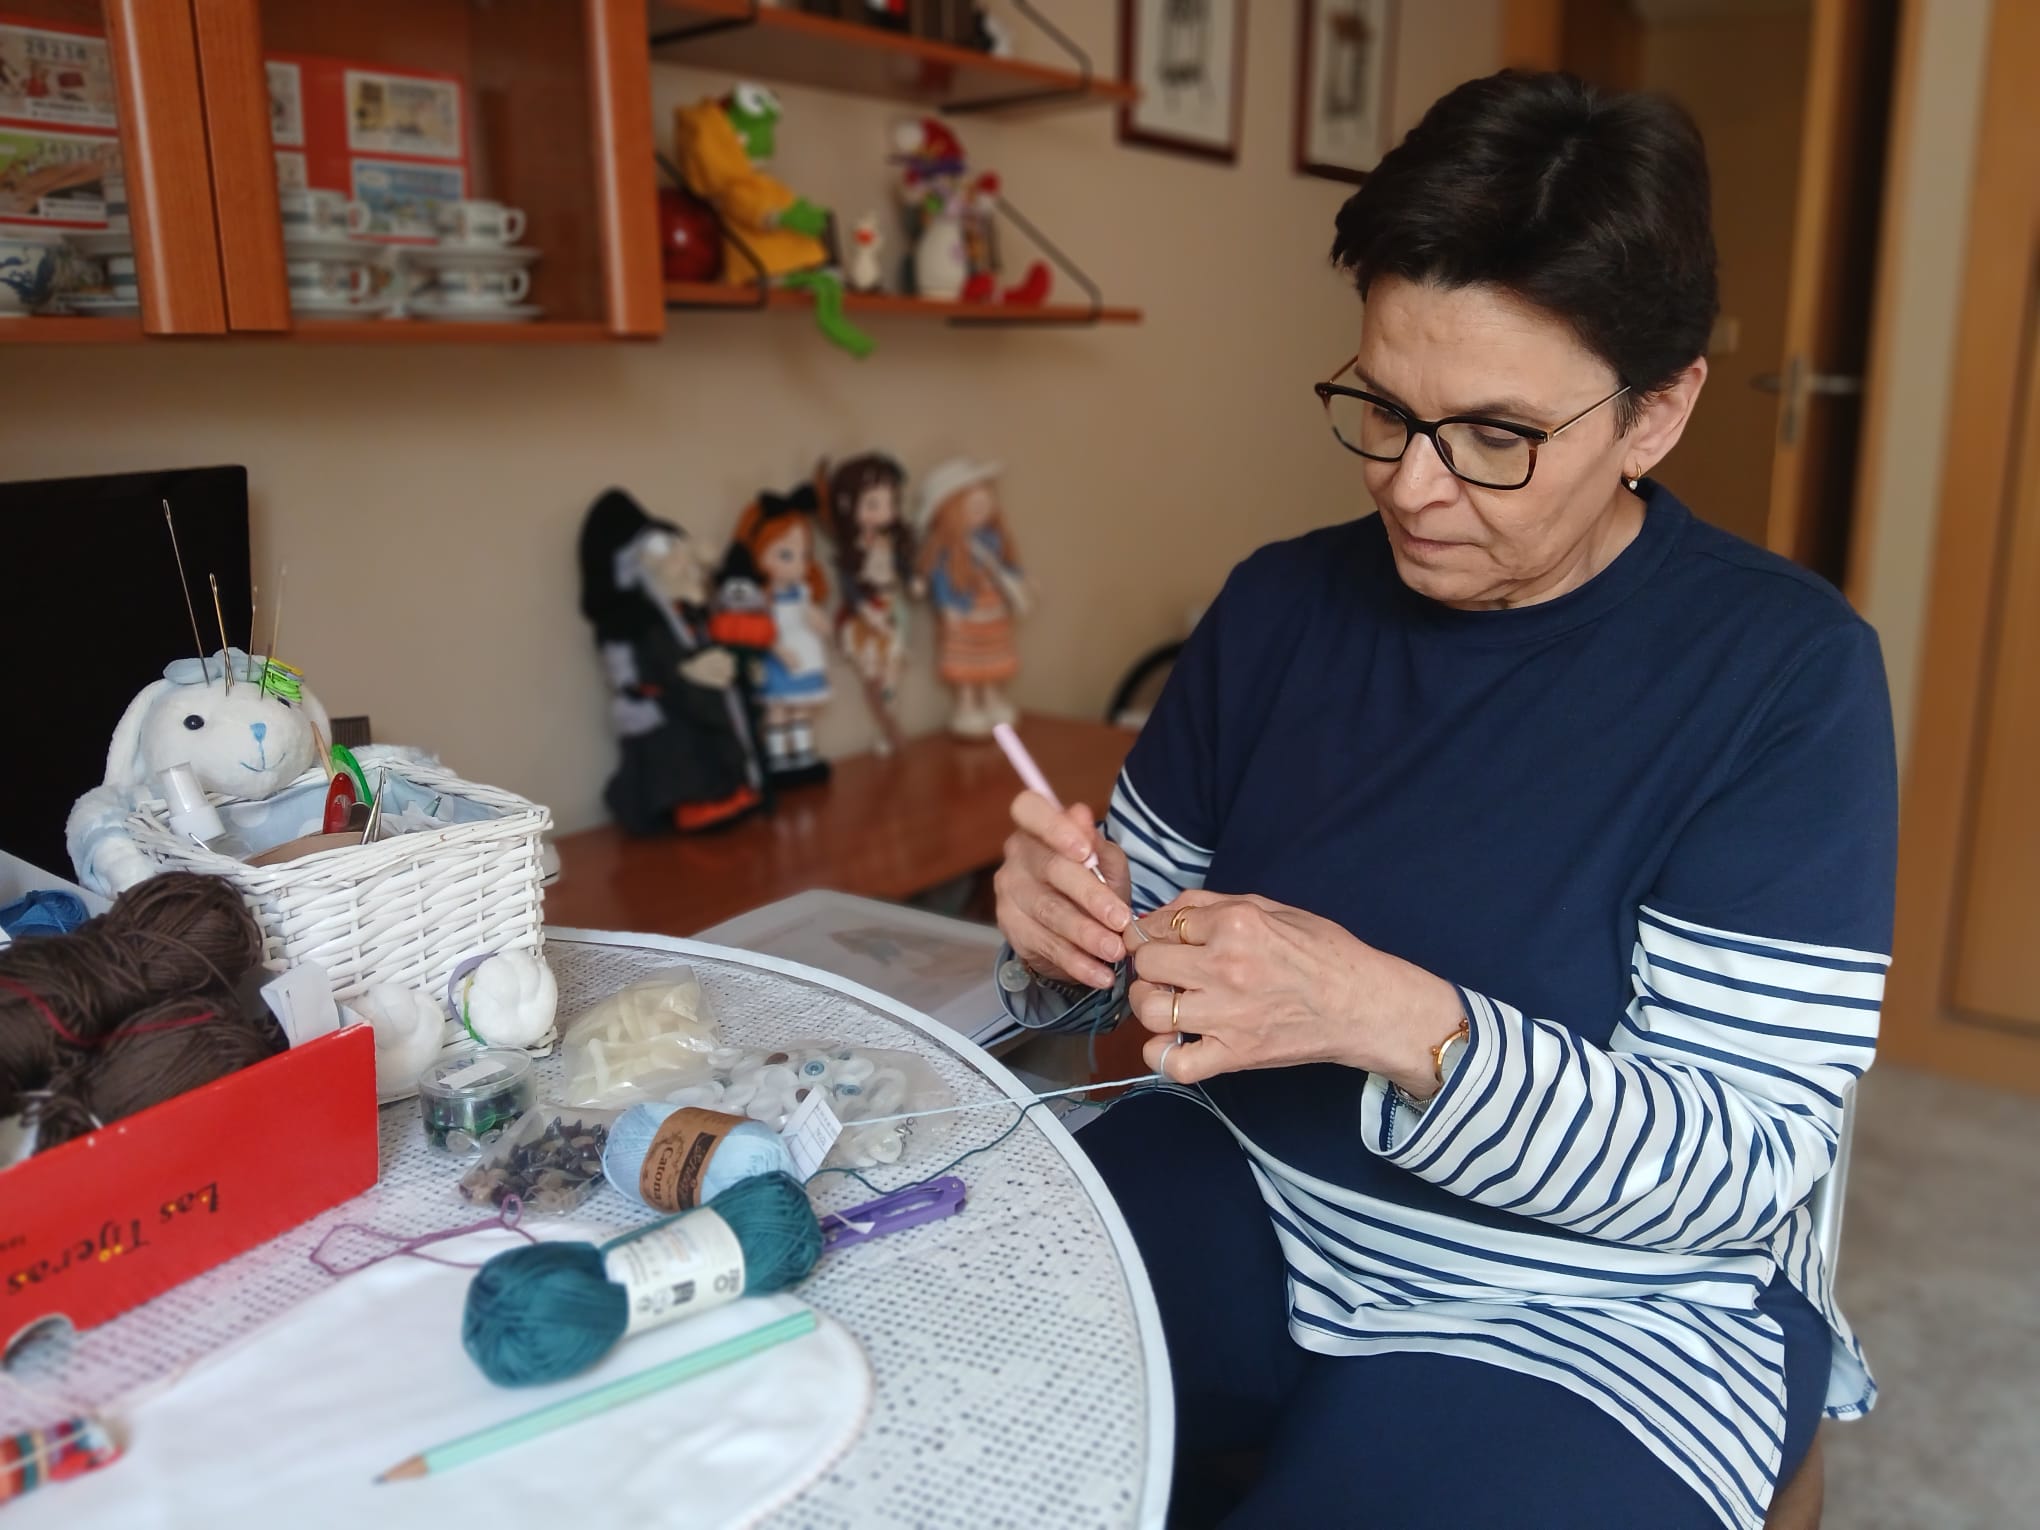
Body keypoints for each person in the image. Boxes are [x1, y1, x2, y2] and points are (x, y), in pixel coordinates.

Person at [993, 71, 1895, 1530]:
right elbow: (1129, 959)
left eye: (1493, 437)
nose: (1411, 488)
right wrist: (1060, 940)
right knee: (933, 1389)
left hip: (1597, 1303)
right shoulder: (1281, 603)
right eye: (1382, 409)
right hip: (1245, 1187)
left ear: (1657, 416)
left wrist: (1392, 1019)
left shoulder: (1784, 679)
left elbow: (1736, 1169)